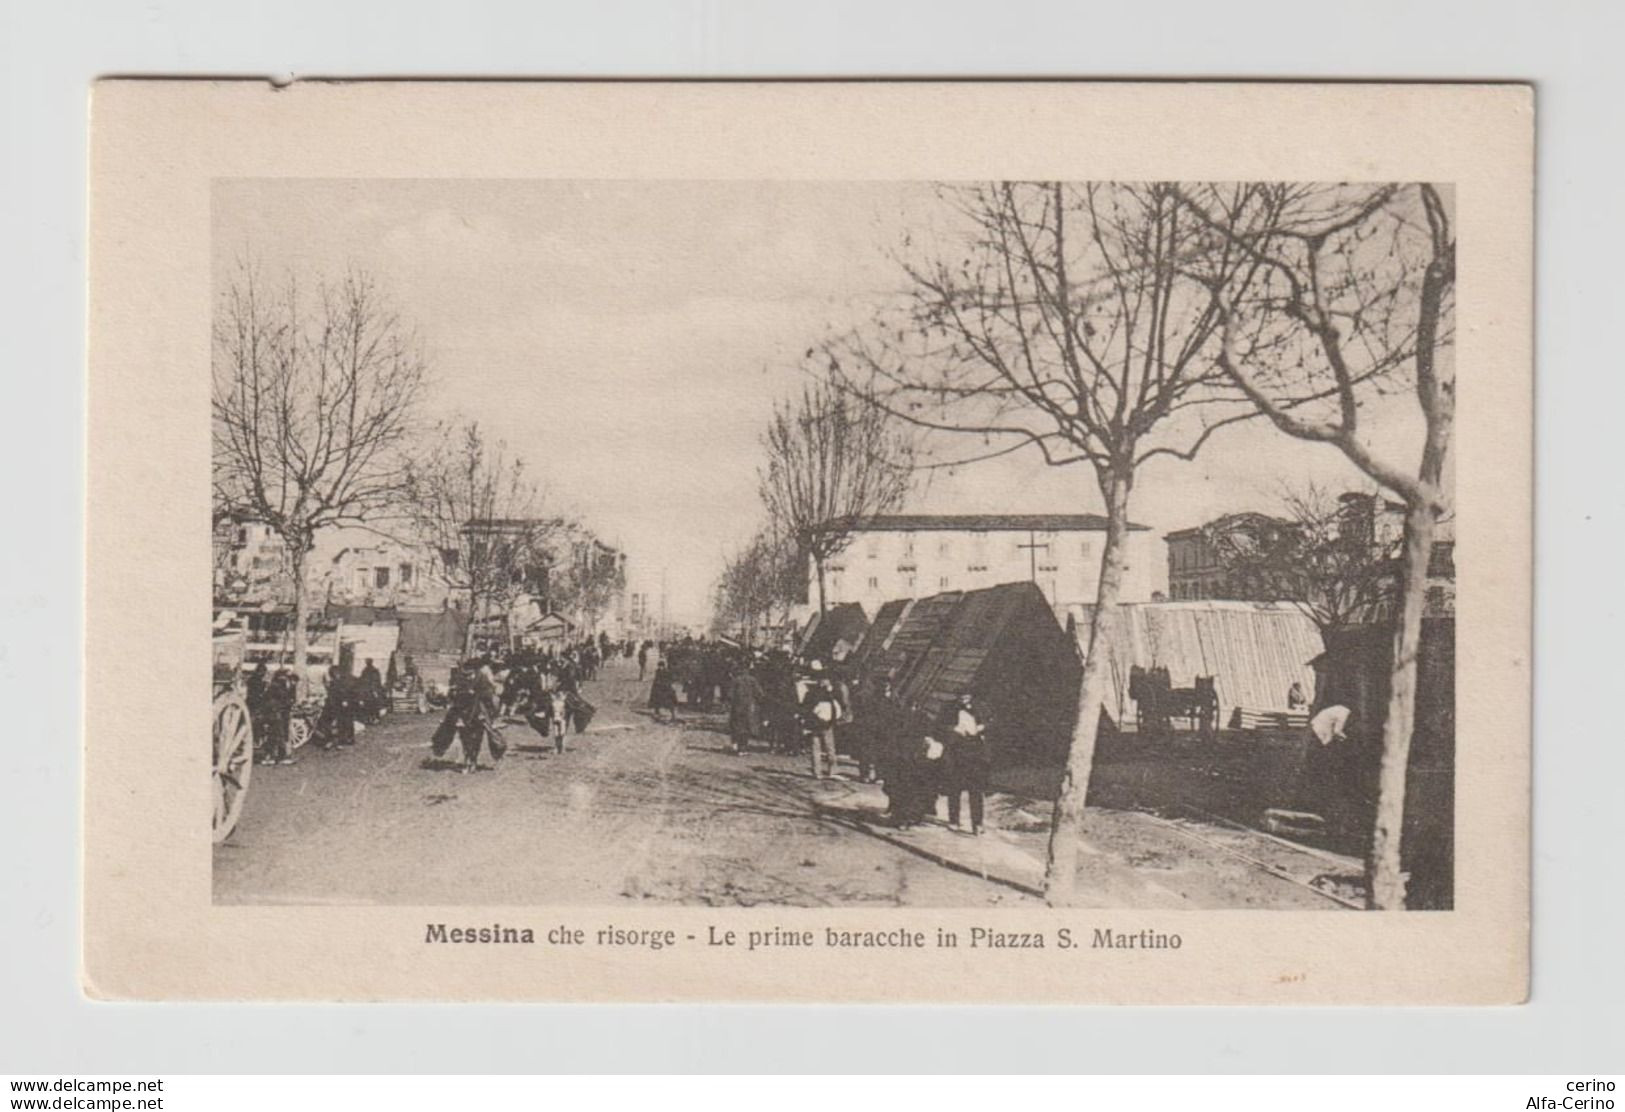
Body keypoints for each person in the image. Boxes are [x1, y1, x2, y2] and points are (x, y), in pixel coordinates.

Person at [939, 692, 991, 835]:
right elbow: (940, 726)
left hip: (975, 754)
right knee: (954, 789)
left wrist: (982, 727)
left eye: (967, 697)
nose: (964, 700)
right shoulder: (949, 708)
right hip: (957, 753)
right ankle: (954, 821)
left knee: (976, 791)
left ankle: (977, 824)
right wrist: (954, 729)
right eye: (961, 698)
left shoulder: (981, 708)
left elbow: (991, 723)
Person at [800, 660, 843, 780]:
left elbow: (805, 707)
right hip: (827, 723)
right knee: (830, 747)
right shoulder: (830, 694)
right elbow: (836, 707)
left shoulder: (811, 692)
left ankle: (816, 771)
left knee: (815, 747)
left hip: (814, 723)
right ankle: (832, 770)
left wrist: (807, 721)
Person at [728, 661, 762, 755]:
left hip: (737, 706)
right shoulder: (753, 680)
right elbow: (759, 693)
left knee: (737, 726)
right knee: (747, 726)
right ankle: (743, 748)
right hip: (749, 707)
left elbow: (730, 695)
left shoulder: (736, 680)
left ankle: (737, 746)